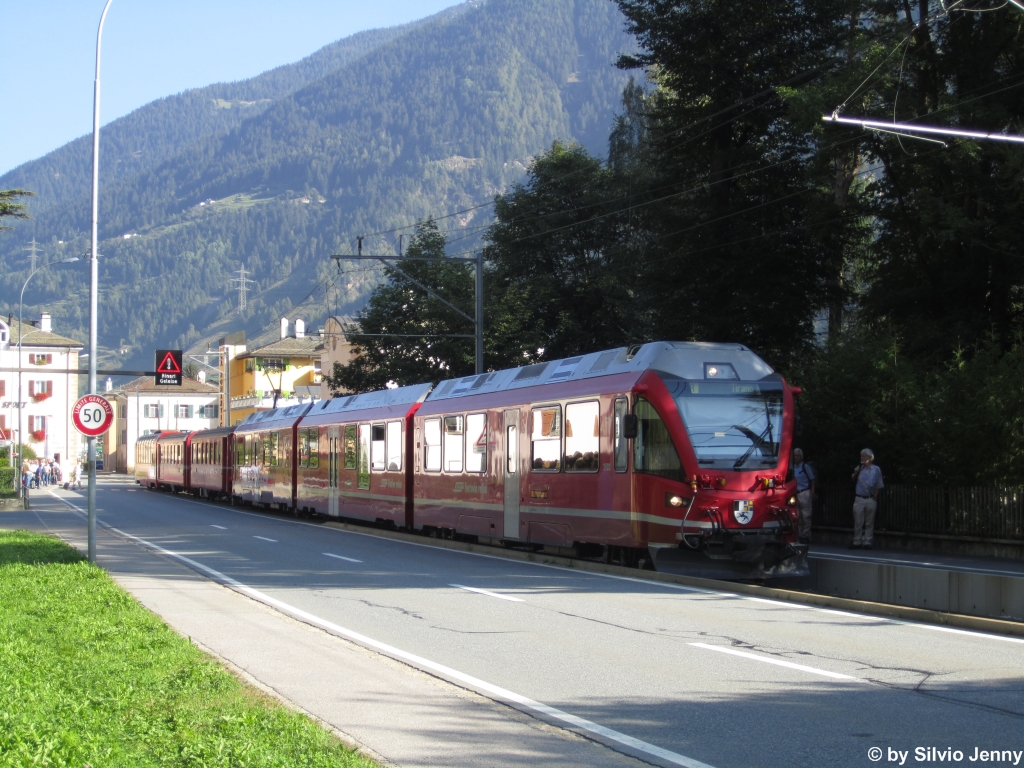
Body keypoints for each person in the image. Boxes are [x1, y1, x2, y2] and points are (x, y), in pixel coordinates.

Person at [851, 448, 884, 549]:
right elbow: (852, 479)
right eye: (861, 456)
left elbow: (879, 484)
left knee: (869, 522)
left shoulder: (876, 469)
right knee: (858, 521)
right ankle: (857, 541)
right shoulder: (860, 468)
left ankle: (867, 542)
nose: (861, 457)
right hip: (859, 498)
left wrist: (875, 496)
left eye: (864, 456)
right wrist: (855, 472)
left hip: (870, 498)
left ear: (870, 458)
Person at [791, 448, 816, 544]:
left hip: (804, 492)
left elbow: (812, 479)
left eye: (797, 456)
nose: (796, 457)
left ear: (801, 457)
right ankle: (800, 535)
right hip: (795, 493)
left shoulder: (805, 467)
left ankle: (806, 535)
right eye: (794, 456)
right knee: (798, 516)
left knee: (806, 516)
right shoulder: (793, 467)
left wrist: (812, 492)